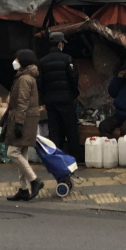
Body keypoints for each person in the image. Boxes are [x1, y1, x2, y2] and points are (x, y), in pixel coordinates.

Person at [4, 49, 45, 202]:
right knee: (23, 153)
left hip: (24, 119)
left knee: (12, 152)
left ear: (23, 61)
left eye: (17, 59)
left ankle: (35, 181)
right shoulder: (29, 77)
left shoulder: (24, 79)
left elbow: (22, 103)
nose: (14, 61)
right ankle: (23, 189)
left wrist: (19, 123)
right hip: (29, 118)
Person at [38, 31, 80, 160]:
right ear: (60, 44)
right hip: (66, 99)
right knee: (71, 128)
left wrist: (45, 97)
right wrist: (73, 94)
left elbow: (40, 83)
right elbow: (74, 78)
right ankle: (75, 157)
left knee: (54, 129)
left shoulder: (42, 61)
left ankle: (56, 158)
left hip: (50, 101)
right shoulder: (67, 59)